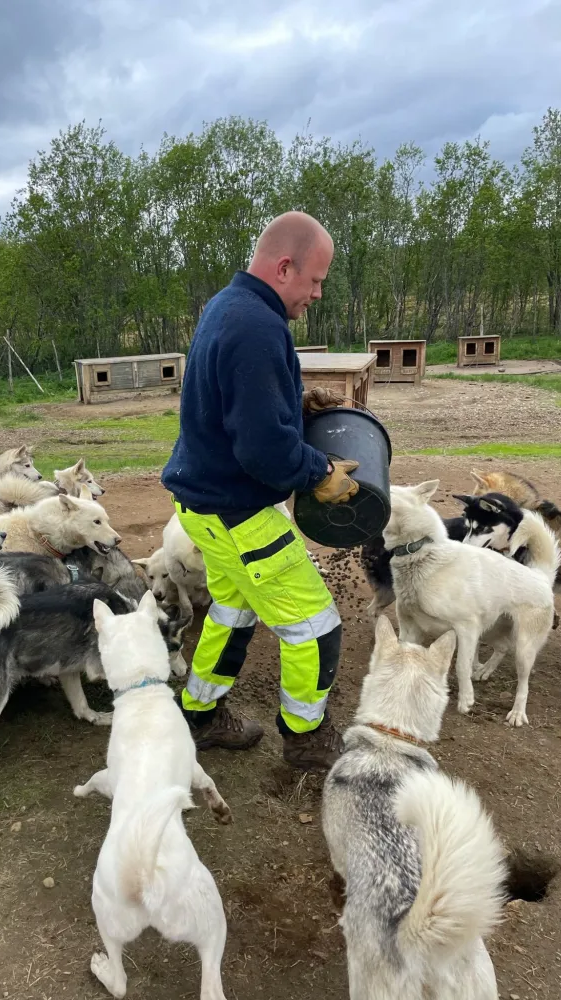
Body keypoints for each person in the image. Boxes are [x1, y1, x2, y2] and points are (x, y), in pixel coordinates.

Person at [161, 211, 359, 771]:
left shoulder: (229, 306)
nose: (318, 293)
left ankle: (200, 717)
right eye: (316, 280)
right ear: (284, 266)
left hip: (202, 506)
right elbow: (262, 450)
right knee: (317, 628)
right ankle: (306, 737)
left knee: (231, 613)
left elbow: (239, 408)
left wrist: (295, 405)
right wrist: (319, 474)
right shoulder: (257, 326)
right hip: (238, 514)